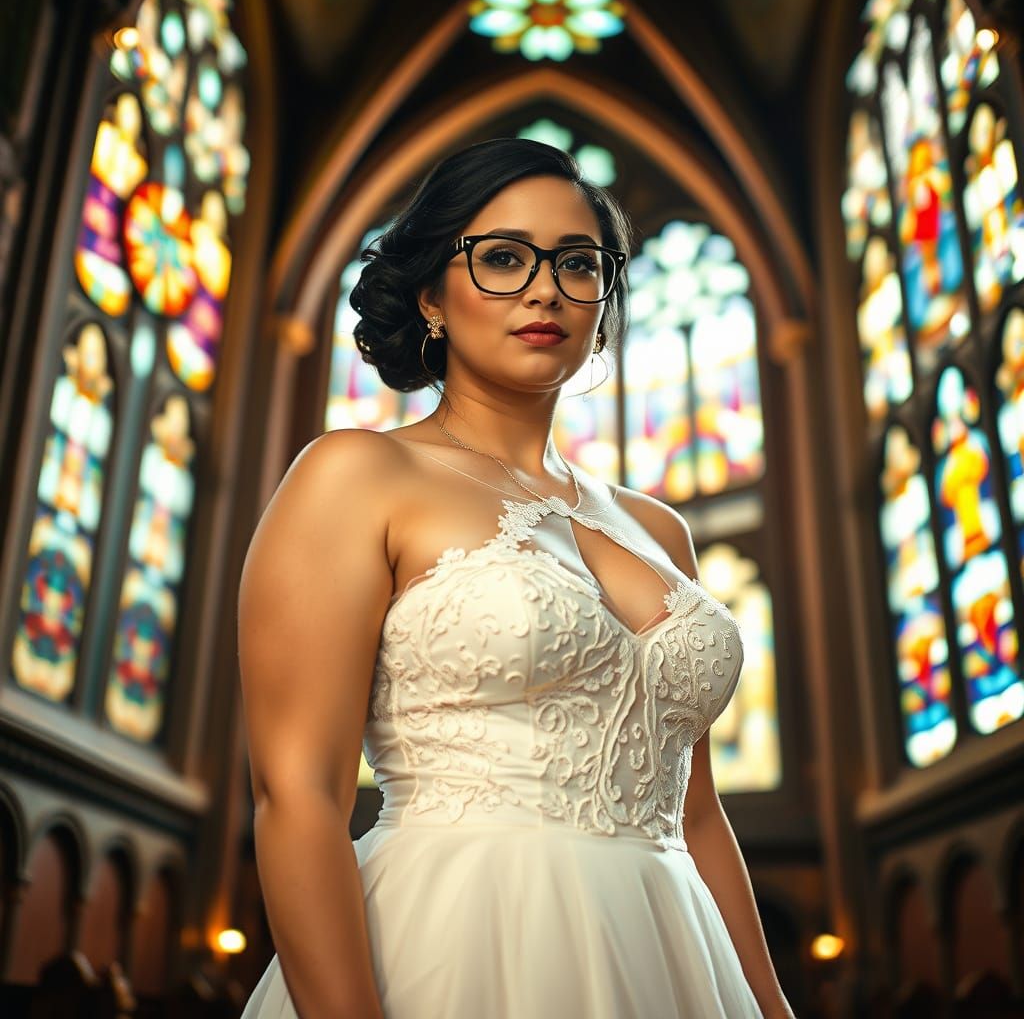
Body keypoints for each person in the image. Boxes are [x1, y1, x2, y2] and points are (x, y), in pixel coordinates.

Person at [238, 137, 794, 1019]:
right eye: (503, 258)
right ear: (431, 296)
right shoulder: (354, 476)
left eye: (579, 264)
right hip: (450, 943)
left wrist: (768, 1005)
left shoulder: (660, 530)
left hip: (675, 954)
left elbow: (694, 818)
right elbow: (298, 794)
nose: (545, 290)